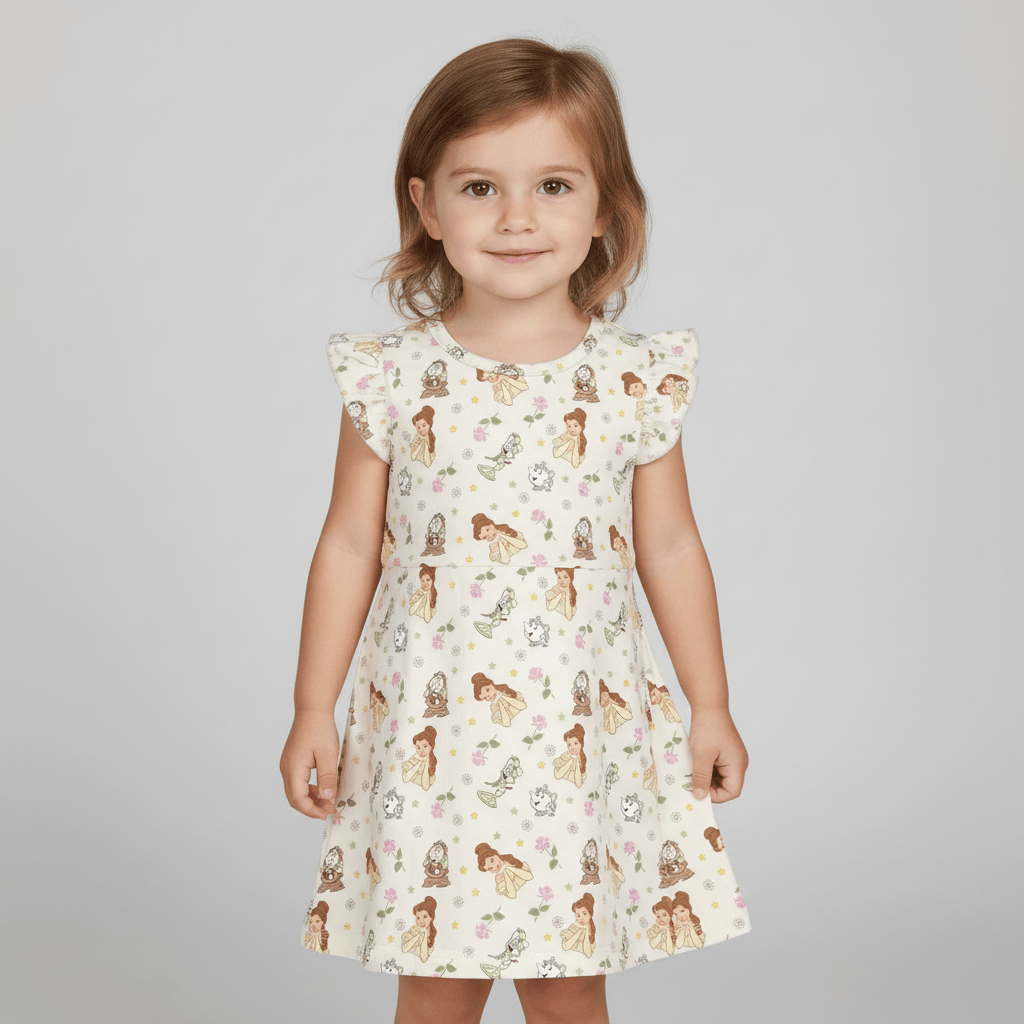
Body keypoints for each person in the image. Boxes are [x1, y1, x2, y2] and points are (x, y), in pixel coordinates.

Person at [279, 36, 752, 1024]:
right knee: (434, 980)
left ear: (605, 206)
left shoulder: (633, 380)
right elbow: (349, 545)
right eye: (480, 188)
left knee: (569, 981)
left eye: (553, 185)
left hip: (580, 730)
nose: (518, 217)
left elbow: (670, 547)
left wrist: (708, 701)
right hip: (434, 730)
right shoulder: (392, 377)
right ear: (427, 205)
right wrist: (312, 707)